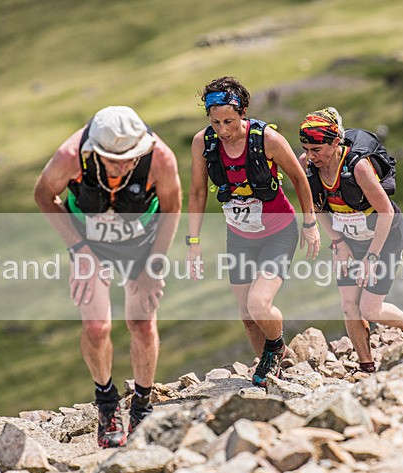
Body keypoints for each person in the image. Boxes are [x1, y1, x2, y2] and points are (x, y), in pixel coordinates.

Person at [34, 106, 182, 447]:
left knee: (142, 323)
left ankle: (142, 405)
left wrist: (154, 265)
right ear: (95, 152)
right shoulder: (70, 155)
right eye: (113, 160)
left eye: (130, 158)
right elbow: (43, 194)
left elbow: (172, 208)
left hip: (141, 241)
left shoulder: (160, 158)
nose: (122, 166)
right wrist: (79, 250)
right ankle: (107, 402)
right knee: (96, 327)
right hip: (88, 241)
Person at [186, 76, 321, 388]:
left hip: (278, 232)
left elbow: (300, 180)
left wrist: (310, 225)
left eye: (229, 121)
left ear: (243, 111)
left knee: (258, 304)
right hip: (239, 237)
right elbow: (196, 193)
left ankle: (276, 346)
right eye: (215, 121)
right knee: (247, 316)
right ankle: (268, 373)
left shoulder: (267, 139)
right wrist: (193, 243)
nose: (222, 130)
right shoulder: (202, 143)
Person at [298, 107, 403, 374]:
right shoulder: (307, 165)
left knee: (370, 309)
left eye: (317, 149)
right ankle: (366, 366)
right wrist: (338, 243)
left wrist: (372, 257)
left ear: (336, 142)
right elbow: (317, 207)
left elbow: (386, 212)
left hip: (385, 236)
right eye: (306, 149)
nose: (311, 156)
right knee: (348, 306)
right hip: (349, 239)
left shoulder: (358, 167)